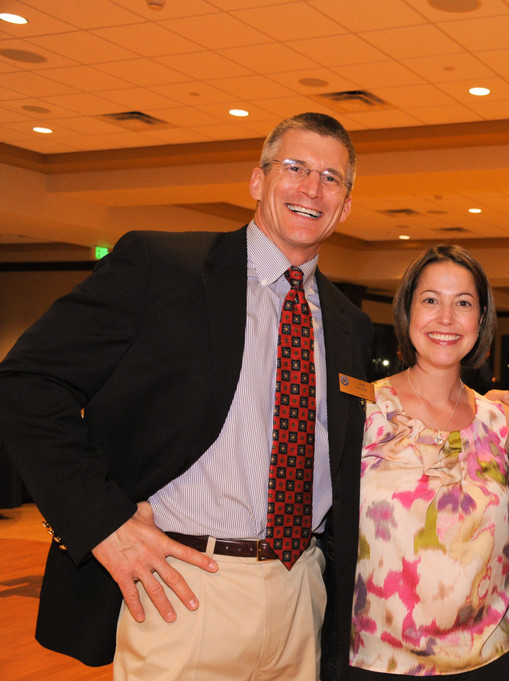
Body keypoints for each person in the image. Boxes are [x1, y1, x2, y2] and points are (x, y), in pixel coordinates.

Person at [0, 112, 374, 679]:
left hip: (303, 593)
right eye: (295, 168)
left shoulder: (349, 323)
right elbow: (26, 383)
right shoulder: (162, 267)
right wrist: (103, 522)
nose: (311, 189)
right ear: (258, 180)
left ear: (345, 205)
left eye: (331, 178)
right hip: (185, 586)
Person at [349, 245, 509, 679]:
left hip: (487, 660)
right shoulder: (363, 410)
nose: (446, 318)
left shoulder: (500, 423)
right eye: (430, 300)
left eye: (463, 303)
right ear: (406, 313)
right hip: (377, 662)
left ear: (481, 320)